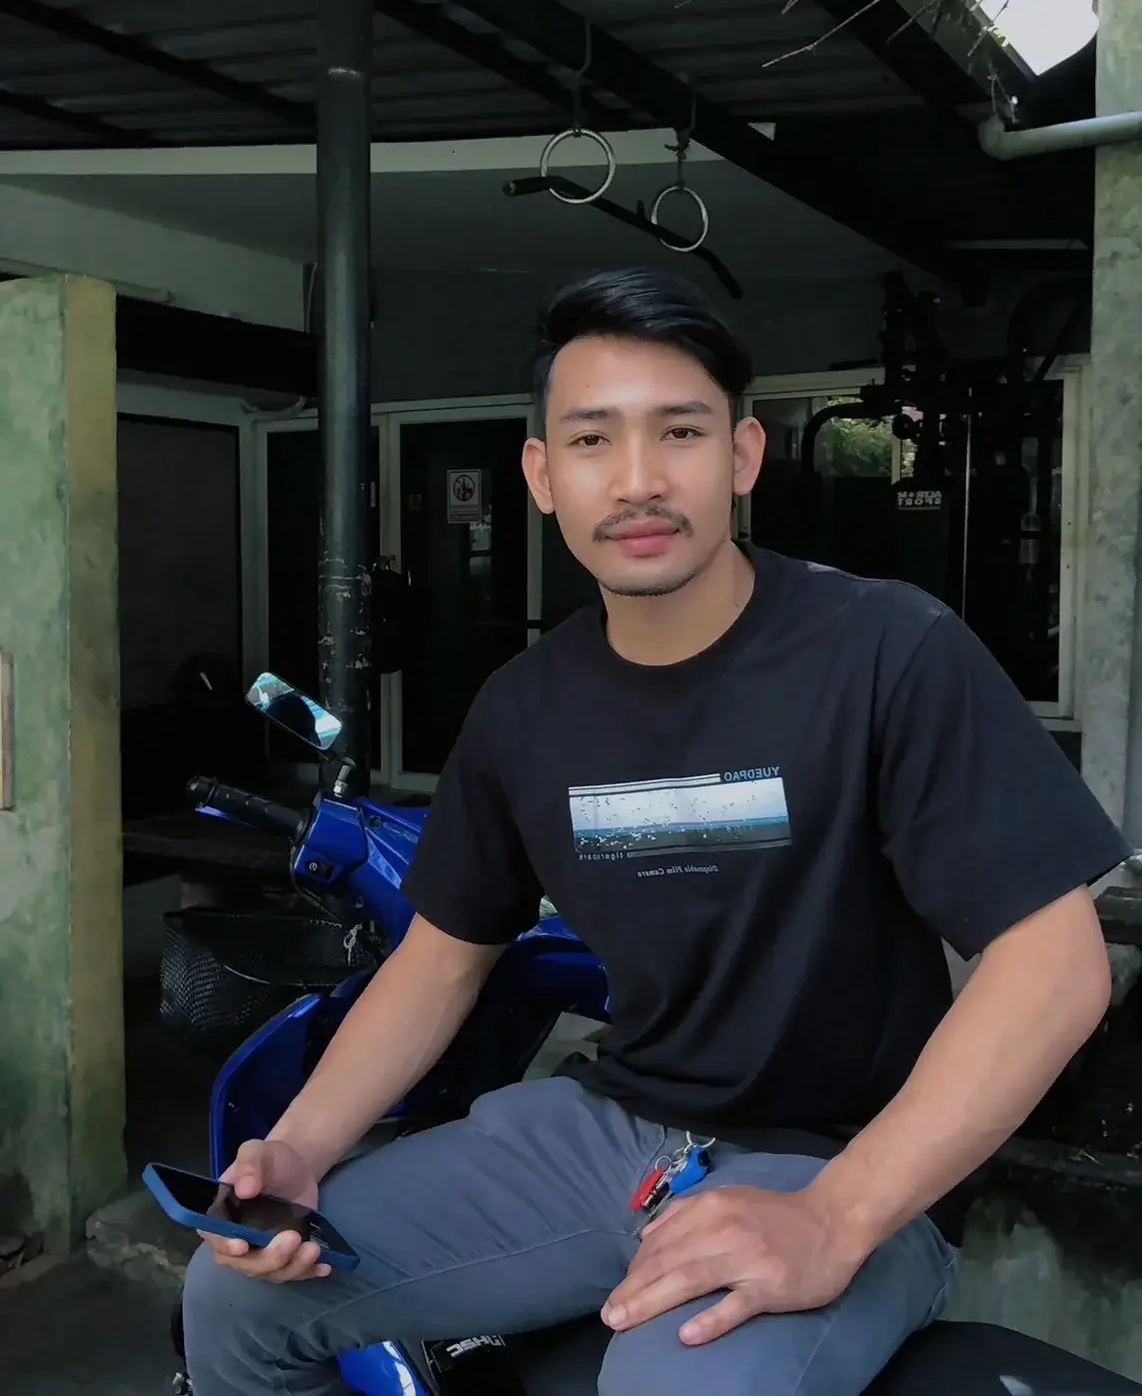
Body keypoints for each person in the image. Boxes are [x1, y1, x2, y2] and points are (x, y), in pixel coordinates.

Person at [184, 268, 1126, 1396]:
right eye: (591, 440)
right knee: (234, 1294)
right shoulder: (524, 708)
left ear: (739, 458)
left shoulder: (886, 652)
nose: (636, 481)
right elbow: (438, 960)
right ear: (541, 474)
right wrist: (298, 1148)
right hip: (608, 1127)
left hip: (833, 1165)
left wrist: (836, 1216)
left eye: (677, 431)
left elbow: (1052, 964)